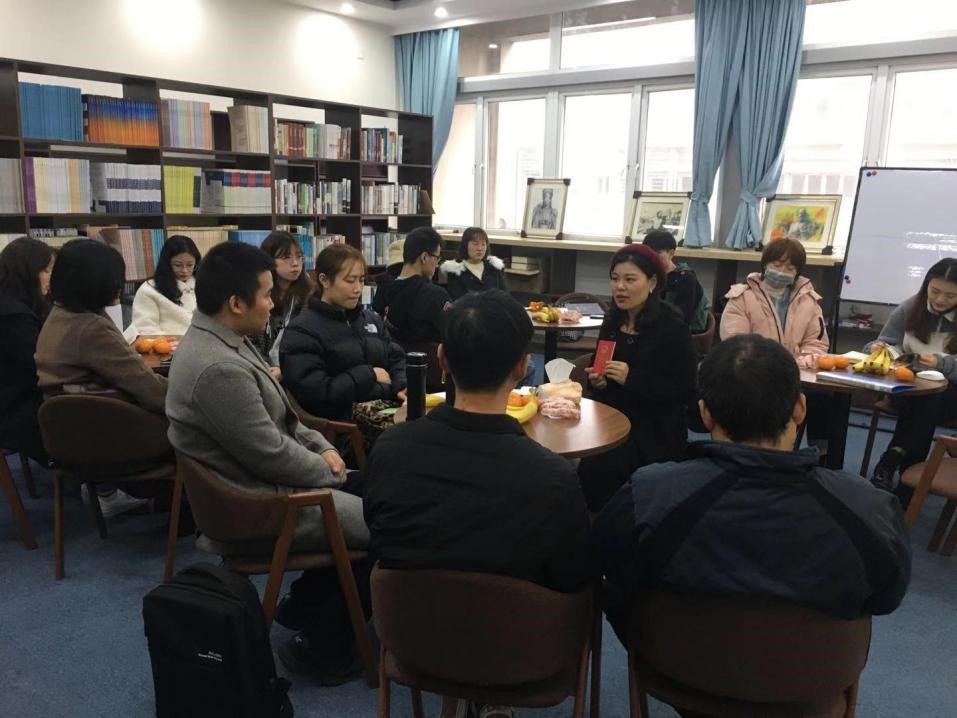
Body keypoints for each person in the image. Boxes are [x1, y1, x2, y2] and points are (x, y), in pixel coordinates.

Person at [592, 335, 911, 661]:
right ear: (800, 408)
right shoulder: (872, 510)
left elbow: (608, 565)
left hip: (674, 667)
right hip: (811, 676)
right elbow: (886, 596)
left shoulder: (649, 495)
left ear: (705, 414)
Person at [364, 289, 591, 718]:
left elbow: (381, 538)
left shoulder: (390, 449)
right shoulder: (552, 477)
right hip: (520, 653)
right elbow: (571, 576)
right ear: (523, 367)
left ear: (442, 359)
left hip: (414, 638)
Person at [165, 241, 368, 685]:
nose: (274, 302)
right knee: (393, 520)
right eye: (265, 294)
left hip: (268, 485)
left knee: (383, 493)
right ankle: (327, 647)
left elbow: (288, 419)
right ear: (236, 303)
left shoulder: (223, 338)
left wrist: (324, 449)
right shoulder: (217, 367)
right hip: (262, 504)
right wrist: (330, 471)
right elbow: (270, 454)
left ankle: (307, 604)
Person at [36, 238, 164, 516]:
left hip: (70, 436)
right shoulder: (91, 328)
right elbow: (149, 390)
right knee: (198, 421)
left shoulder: (59, 314)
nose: (118, 287)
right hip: (108, 437)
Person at [578, 244, 697, 511]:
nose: (620, 287)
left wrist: (632, 378)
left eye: (630, 280)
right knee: (590, 477)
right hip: (610, 418)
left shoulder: (672, 326)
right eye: (615, 279)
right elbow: (599, 369)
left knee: (623, 484)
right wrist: (597, 381)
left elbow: (685, 389)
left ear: (652, 283)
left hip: (654, 427)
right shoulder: (612, 319)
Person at [719, 238, 840, 468]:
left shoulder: (809, 300)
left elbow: (816, 341)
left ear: (798, 272)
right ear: (765, 264)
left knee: (824, 398)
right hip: (753, 372)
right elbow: (735, 342)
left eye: (790, 267)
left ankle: (823, 458)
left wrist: (808, 357)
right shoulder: (742, 296)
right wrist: (770, 364)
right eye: (777, 264)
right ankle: (756, 453)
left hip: (796, 372)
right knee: (766, 397)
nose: (783, 271)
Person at [280, 243, 407, 421]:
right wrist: (369, 375)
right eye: (349, 280)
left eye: (361, 280)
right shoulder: (302, 331)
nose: (357, 289)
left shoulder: (371, 320)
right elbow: (316, 394)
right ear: (324, 280)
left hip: (389, 410)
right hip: (344, 424)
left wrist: (402, 385)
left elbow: (396, 357)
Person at [869, 258, 957, 497]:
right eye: (935, 291)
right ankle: (909, 484)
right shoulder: (909, 308)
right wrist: (880, 349)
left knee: (933, 396)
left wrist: (942, 364)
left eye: (950, 296)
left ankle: (892, 459)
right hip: (906, 388)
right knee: (926, 400)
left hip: (950, 398)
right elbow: (883, 343)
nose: (940, 300)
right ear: (926, 285)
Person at [0, 237, 54, 464]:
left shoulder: (13, 304)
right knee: (90, 412)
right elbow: (40, 366)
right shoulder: (14, 316)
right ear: (28, 272)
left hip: (14, 399)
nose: (50, 277)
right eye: (46, 270)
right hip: (16, 409)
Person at [249, 230, 316, 373]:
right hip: (260, 369)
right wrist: (265, 368)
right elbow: (249, 340)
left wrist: (285, 371)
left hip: (297, 372)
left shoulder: (311, 296)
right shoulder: (256, 294)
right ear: (269, 259)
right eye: (286, 257)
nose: (295, 263)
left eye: (299, 257)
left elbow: (311, 345)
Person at [371, 226, 452, 344]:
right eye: (436, 258)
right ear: (424, 257)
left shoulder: (382, 290)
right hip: (428, 355)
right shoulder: (436, 295)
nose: (437, 265)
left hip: (390, 354)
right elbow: (454, 335)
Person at [124, 234, 201, 340]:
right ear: (167, 263)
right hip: (169, 347)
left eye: (190, 265)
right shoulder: (149, 289)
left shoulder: (203, 285)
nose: (184, 270)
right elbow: (146, 330)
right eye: (177, 265)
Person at [641, 229, 709, 333]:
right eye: (649, 253)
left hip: (684, 331)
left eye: (658, 253)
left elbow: (683, 316)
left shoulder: (685, 278)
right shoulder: (648, 275)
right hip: (655, 326)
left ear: (671, 253)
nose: (652, 257)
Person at [440, 226, 505, 300]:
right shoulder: (456, 271)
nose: (480, 248)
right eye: (475, 244)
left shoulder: (494, 267)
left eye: (483, 244)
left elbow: (505, 296)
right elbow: (458, 301)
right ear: (465, 245)